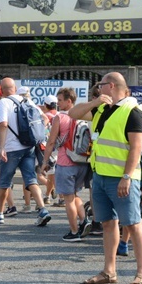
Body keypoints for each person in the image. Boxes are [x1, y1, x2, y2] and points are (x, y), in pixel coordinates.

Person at [68, 72, 142, 284]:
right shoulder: (102, 108)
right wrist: (95, 101)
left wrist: (126, 176)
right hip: (101, 176)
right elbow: (72, 113)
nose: (98, 88)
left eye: (100, 85)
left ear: (111, 86)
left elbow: (136, 147)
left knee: (132, 223)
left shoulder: (133, 112)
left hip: (123, 178)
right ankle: (109, 271)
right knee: (107, 224)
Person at [0, 78, 50, 226]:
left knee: (4, 182)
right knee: (31, 179)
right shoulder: (27, 101)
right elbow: (44, 118)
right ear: (14, 88)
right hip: (29, 146)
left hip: (12, 149)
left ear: (2, 90)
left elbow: (3, 124)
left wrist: (2, 147)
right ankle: (43, 210)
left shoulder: (4, 102)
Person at [42, 87, 91, 242]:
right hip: (82, 161)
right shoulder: (85, 115)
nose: (58, 104)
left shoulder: (60, 117)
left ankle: (74, 231)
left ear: (69, 101)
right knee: (75, 194)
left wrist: (45, 161)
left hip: (66, 161)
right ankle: (84, 220)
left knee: (68, 198)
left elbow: (51, 142)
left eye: (61, 100)